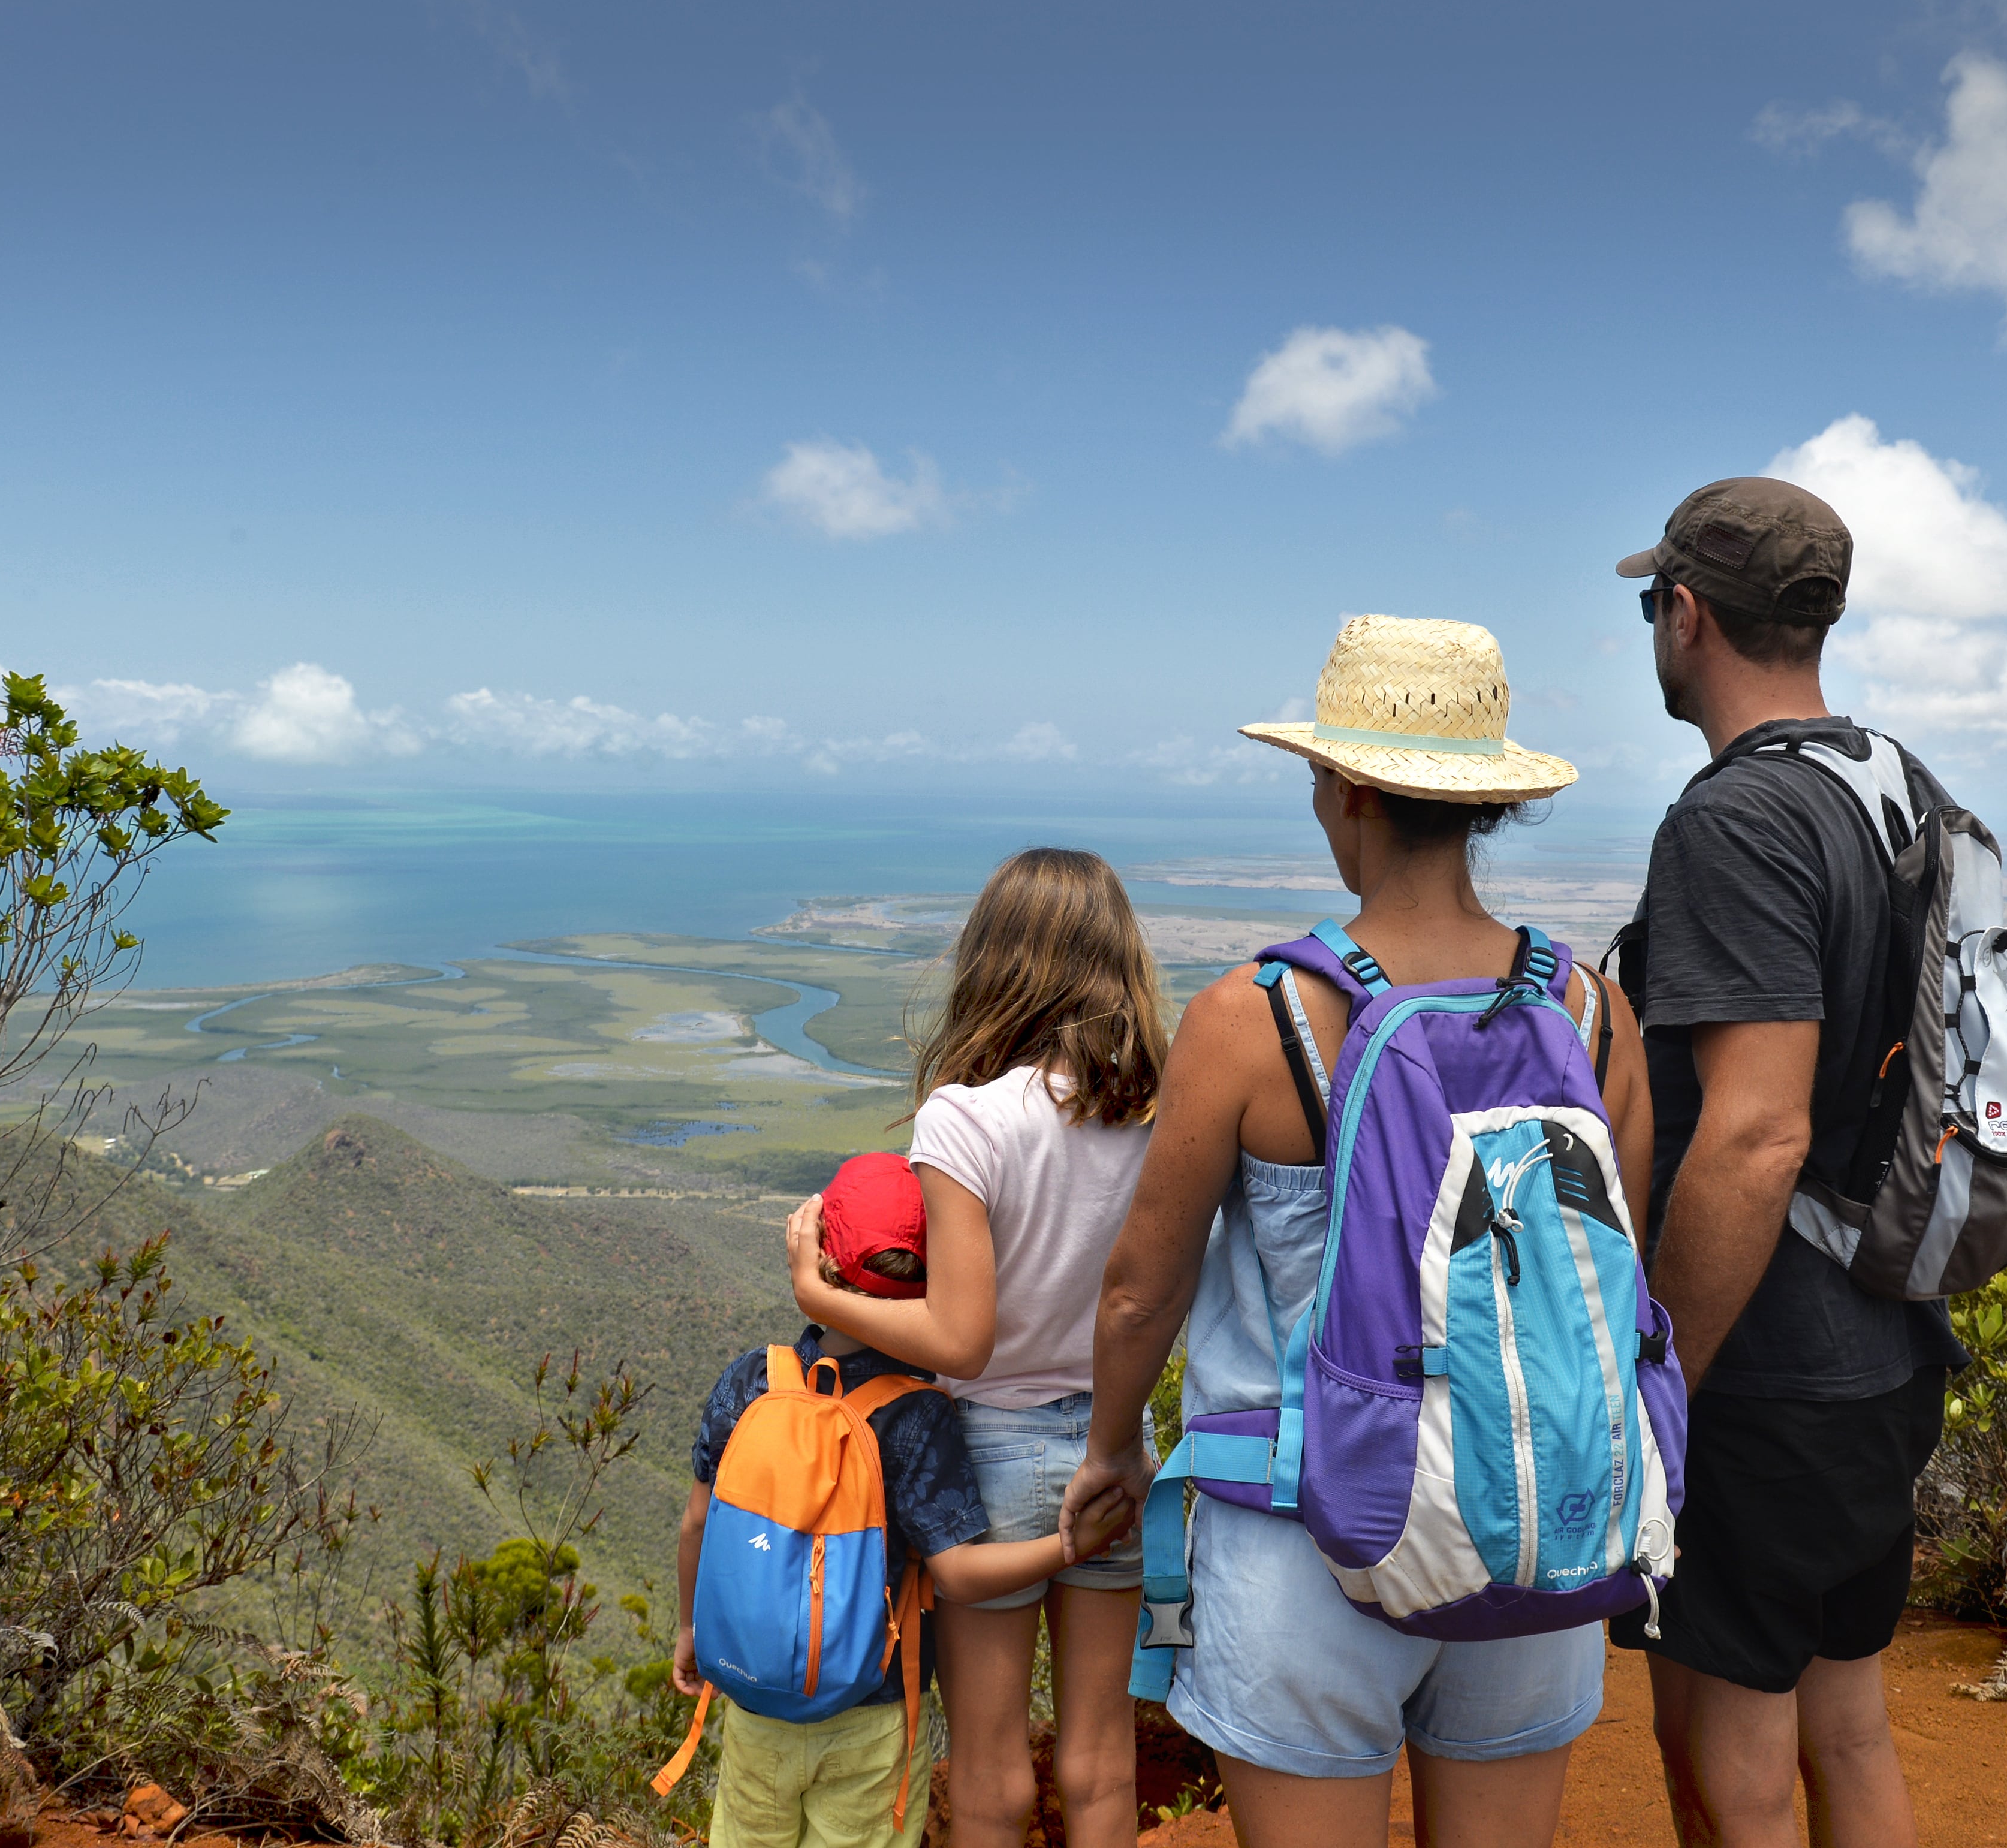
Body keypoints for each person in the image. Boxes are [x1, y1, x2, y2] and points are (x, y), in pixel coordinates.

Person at [1063, 614, 1657, 1848]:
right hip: (1524, 1537)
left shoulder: (1258, 1015)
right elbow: (1612, 1278)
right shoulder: (1595, 1015)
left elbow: (1139, 1289)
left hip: (1308, 1539)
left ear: (1339, 789)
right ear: (1486, 802)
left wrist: (1113, 1444)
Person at [1608, 478, 1972, 1848]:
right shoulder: (1898, 786)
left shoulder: (1738, 819)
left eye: (1655, 602)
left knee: (1732, 1744)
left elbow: (1755, 1136)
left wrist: (1662, 1384)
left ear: (1687, 612)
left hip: (1764, 1368)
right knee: (1850, 1720)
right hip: (1887, 1333)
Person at [783, 849, 1170, 1848]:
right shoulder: (1148, 1119)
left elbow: (959, 1333)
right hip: (1117, 1449)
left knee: (990, 1765)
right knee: (1098, 1761)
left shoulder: (966, 1121)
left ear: (991, 964)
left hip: (987, 1453)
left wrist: (814, 1293)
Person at [673, 1152, 1137, 1848]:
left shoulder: (749, 1382)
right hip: (874, 1712)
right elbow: (955, 1574)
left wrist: (689, 1631)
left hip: (753, 1700)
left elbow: (700, 1520)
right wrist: (1069, 1547)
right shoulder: (918, 1416)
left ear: (818, 1255)